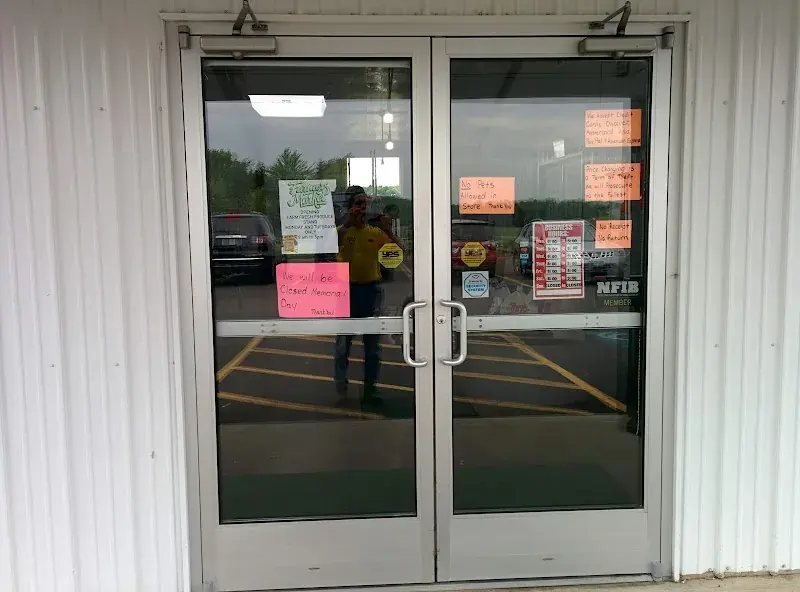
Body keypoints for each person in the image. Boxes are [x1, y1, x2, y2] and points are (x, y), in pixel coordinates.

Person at [334, 189, 401, 405]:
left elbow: (398, 255)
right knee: (343, 343)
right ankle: (341, 387)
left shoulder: (375, 232)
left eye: (365, 204)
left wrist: (389, 231)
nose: (362, 208)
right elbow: (327, 246)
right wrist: (348, 223)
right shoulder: (342, 231)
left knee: (372, 346)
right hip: (346, 291)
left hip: (371, 291)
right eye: (358, 204)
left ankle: (370, 389)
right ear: (350, 206)